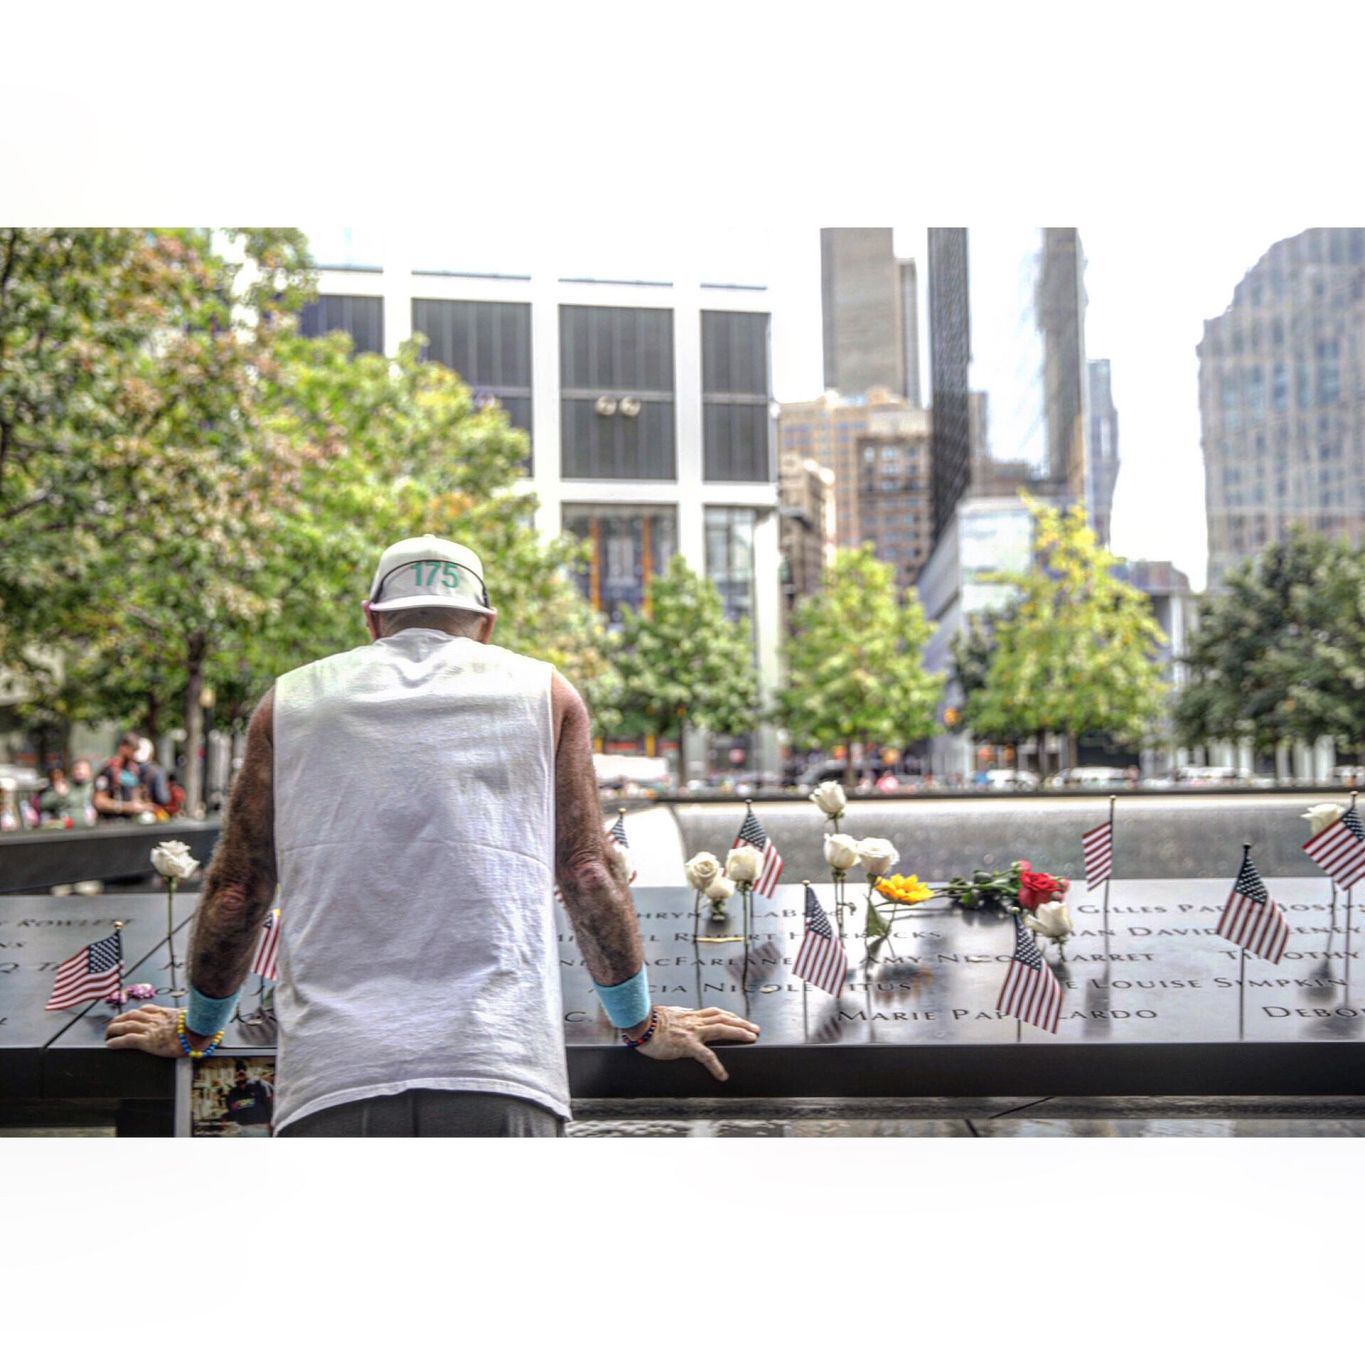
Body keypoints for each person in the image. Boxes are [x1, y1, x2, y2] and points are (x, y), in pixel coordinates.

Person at [106, 535, 760, 1136]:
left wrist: (197, 1031)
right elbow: (588, 872)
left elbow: (237, 889)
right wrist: (641, 1022)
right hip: (502, 1069)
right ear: (486, 623)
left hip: (330, 1076)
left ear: (372, 618)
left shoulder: (290, 700)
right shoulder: (547, 693)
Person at [93, 732, 158, 820]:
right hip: (111, 824)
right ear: (123, 747)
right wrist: (126, 807)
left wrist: (143, 805)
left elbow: (135, 795)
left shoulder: (133, 769)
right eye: (133, 750)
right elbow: (99, 802)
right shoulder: (109, 769)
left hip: (129, 824)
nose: (135, 755)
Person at [222, 1063, 274, 1127]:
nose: (241, 1071)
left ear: (249, 1071)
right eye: (237, 1069)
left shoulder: (260, 1085)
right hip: (243, 1128)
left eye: (244, 1069)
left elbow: (269, 1104)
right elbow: (232, 1108)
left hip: (262, 1126)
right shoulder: (233, 1092)